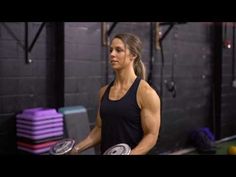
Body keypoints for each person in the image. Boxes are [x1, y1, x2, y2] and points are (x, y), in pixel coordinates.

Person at [70, 33, 161, 155]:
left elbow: (151, 136)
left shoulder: (146, 93)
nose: (112, 54)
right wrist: (77, 149)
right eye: (111, 50)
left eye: (119, 50)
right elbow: (100, 129)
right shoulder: (103, 92)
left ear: (133, 55)